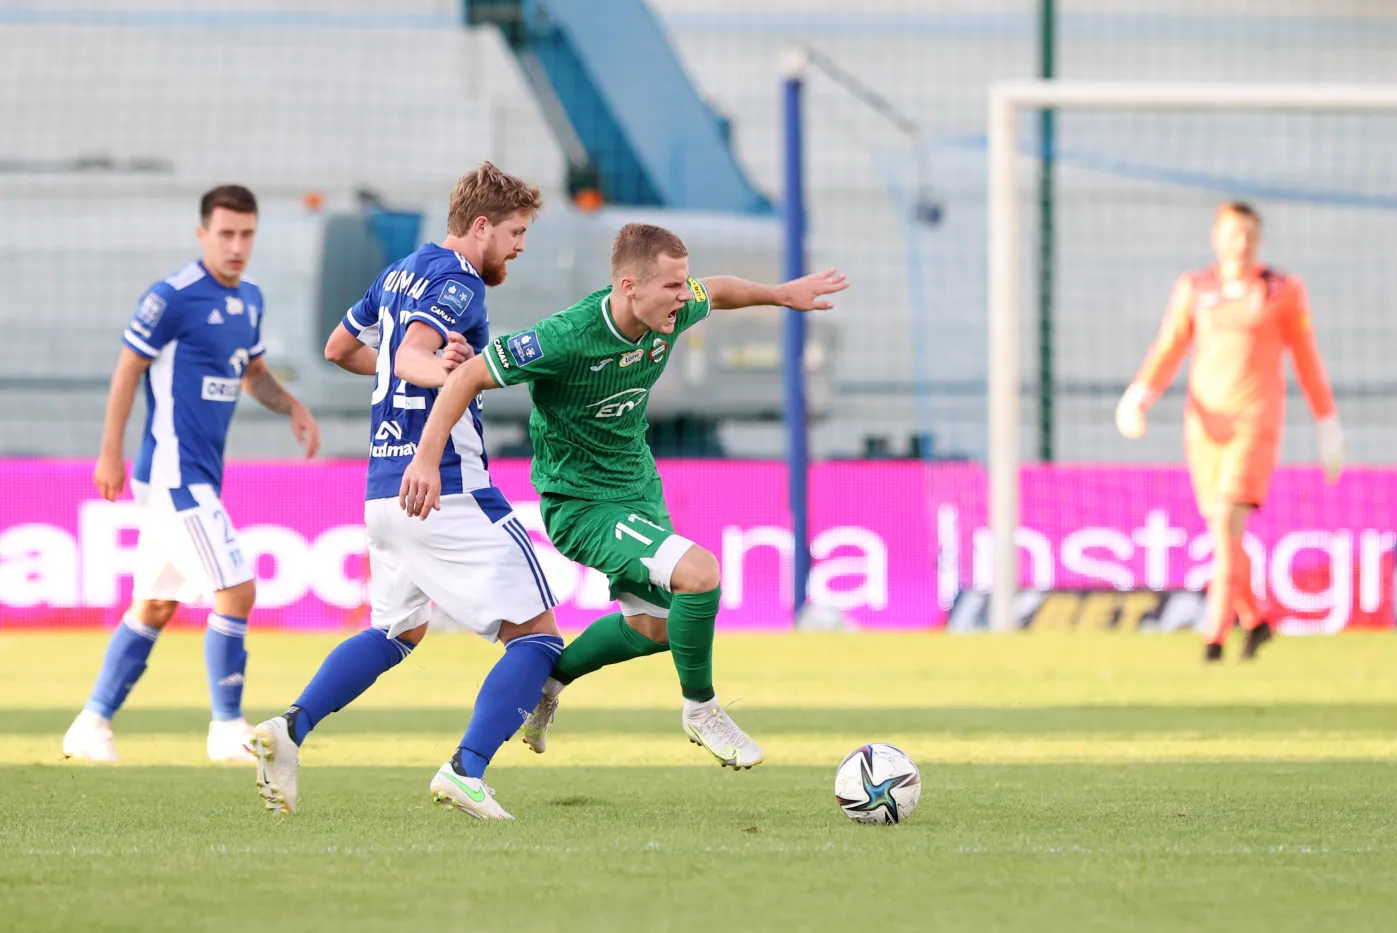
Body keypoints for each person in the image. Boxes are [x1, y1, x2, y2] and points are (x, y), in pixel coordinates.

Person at [399, 223, 847, 768]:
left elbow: (720, 289)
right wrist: (426, 459)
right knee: (700, 574)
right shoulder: (565, 336)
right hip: (581, 503)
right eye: (672, 286)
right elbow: (468, 374)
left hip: (637, 487)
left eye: (685, 285)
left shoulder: (674, 309)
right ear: (629, 285)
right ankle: (701, 709)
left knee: (654, 628)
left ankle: (549, 683)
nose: (685, 297)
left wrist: (780, 294)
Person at [248, 163, 560, 820]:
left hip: (384, 490)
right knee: (537, 637)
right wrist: (436, 370)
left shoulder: (401, 270)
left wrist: (404, 368)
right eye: (515, 232)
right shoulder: (458, 281)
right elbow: (415, 351)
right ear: (481, 226)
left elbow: (340, 346)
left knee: (397, 629)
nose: (519, 246)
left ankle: (289, 729)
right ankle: (466, 769)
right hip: (443, 483)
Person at [63, 185, 320, 763]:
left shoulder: (250, 298)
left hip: (197, 476)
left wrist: (293, 407)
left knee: (154, 605)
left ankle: (91, 724)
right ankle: (227, 727)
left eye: (246, 234)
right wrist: (110, 451)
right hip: (174, 475)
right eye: (225, 234)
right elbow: (128, 371)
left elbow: (253, 373)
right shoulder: (171, 297)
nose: (236, 246)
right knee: (237, 589)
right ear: (202, 234)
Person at [1115, 202, 1343, 662]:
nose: (1244, 241)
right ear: (1216, 237)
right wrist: (1139, 394)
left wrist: (1327, 420)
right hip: (1204, 425)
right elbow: (1170, 347)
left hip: (1254, 422)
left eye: (1251, 233)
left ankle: (1214, 637)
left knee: (1225, 521)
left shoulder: (1281, 290)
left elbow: (1306, 358)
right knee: (1223, 532)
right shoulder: (1194, 288)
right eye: (1235, 232)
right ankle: (1255, 619)